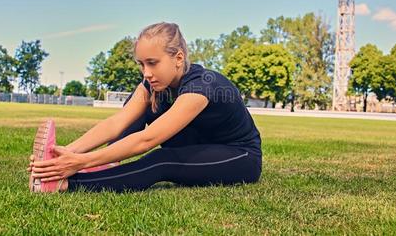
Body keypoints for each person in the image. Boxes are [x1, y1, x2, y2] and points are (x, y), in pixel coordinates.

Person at [28, 22, 262, 193]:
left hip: (238, 156)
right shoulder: (151, 84)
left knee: (161, 160)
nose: (146, 73)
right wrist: (65, 154)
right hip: (196, 143)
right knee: (138, 114)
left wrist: (82, 162)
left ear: (178, 58)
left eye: (153, 63)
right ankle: (103, 165)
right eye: (141, 64)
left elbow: (147, 140)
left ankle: (64, 183)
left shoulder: (202, 86)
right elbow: (116, 123)